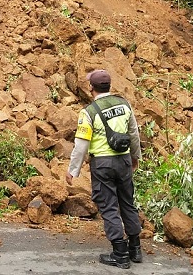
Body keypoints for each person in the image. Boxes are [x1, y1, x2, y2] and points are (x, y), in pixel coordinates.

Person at [66, 69, 143, 269]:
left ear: (91, 87)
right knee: (127, 202)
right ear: (109, 85)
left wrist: (73, 170)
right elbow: (134, 134)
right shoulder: (124, 105)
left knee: (109, 206)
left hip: (102, 164)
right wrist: (135, 157)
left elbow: (81, 144)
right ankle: (135, 248)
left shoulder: (89, 112)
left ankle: (120, 254)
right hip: (124, 161)